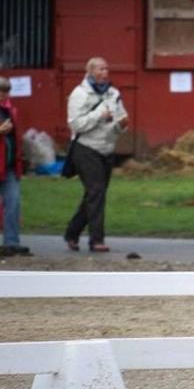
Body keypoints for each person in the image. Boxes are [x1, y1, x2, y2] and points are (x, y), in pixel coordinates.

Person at [64, 57, 129, 253]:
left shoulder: (113, 93)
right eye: (100, 69)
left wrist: (121, 125)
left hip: (106, 149)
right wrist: (99, 115)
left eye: (106, 69)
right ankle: (96, 240)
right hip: (85, 148)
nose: (105, 72)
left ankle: (72, 232)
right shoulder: (80, 94)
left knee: (96, 194)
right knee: (96, 192)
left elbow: (118, 121)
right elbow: (75, 124)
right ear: (90, 71)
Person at [0, 76, 31, 256]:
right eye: (1, 91)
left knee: (13, 203)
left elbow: (15, 138)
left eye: (6, 91)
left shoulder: (11, 110)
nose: (4, 95)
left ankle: (11, 242)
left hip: (10, 165)